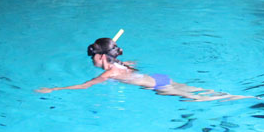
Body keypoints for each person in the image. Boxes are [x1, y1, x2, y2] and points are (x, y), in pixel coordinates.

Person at [35, 37, 250, 101]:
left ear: (101, 57)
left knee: (199, 97)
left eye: (93, 57)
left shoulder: (110, 72)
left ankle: (239, 98)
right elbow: (133, 64)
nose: (91, 60)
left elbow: (84, 86)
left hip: (154, 85)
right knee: (197, 90)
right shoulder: (122, 65)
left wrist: (53, 90)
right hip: (157, 77)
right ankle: (235, 96)